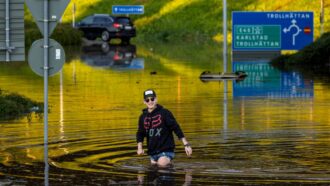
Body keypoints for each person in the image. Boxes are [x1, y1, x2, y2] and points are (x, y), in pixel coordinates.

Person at [136, 89, 192, 167]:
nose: (150, 102)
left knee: (161, 168)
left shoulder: (165, 113)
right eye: (147, 100)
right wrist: (140, 147)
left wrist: (186, 144)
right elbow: (140, 133)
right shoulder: (142, 117)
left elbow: (176, 128)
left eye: (152, 99)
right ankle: (172, 168)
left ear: (156, 99)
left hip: (165, 151)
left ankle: (173, 168)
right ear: (144, 101)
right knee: (153, 173)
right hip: (152, 153)